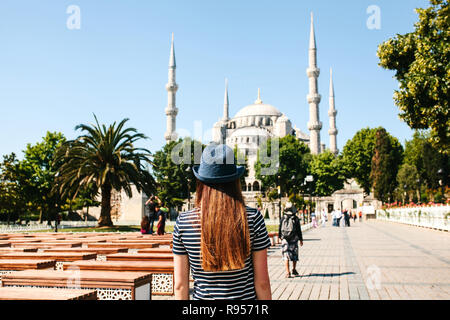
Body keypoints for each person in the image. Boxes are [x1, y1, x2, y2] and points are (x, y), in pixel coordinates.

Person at [172, 144, 272, 300]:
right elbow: (262, 283)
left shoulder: (184, 223)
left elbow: (180, 285)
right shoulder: (253, 219)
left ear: (201, 182)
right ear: (235, 181)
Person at [279, 202, 303, 278]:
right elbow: (299, 230)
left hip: (285, 238)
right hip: (294, 238)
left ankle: (287, 272)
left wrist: (280, 236)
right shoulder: (295, 218)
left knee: (286, 254)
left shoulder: (283, 218)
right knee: (294, 254)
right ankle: (294, 269)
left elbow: (280, 228)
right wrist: (301, 239)